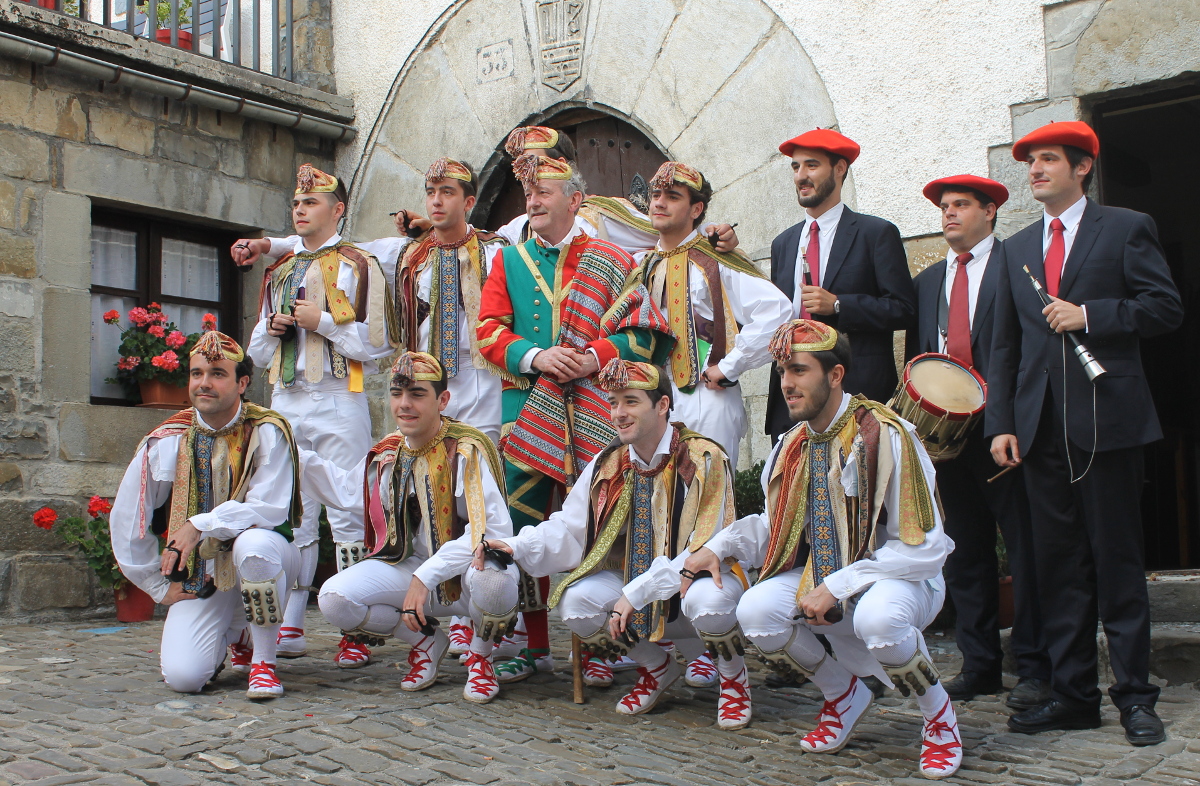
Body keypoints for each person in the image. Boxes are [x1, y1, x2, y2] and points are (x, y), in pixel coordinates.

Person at [685, 319, 961, 779]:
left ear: (835, 375)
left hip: (905, 579)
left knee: (879, 619)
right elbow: (774, 526)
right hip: (829, 579)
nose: (786, 384)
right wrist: (720, 545)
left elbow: (925, 547)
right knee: (756, 610)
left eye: (799, 370)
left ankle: (939, 718)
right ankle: (843, 694)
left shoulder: (887, 435)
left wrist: (840, 584)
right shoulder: (791, 444)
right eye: (781, 372)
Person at [987, 121, 1183, 746]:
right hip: (1039, 431)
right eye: (1031, 161)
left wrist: (1091, 315)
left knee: (1117, 564)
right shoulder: (1016, 247)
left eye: (1049, 159)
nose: (1035, 169)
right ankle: (1074, 696)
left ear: (1082, 168)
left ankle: (1135, 698)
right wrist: (1001, 424)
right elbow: (1004, 347)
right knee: (1058, 567)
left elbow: (1164, 307)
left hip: (1107, 423)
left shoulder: (1125, 227)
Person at [476, 153, 673, 683]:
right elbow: (488, 331)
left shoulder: (611, 259)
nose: (533, 201)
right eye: (528, 193)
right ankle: (534, 644)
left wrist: (594, 357)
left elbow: (645, 332)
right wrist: (536, 356)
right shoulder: (509, 261)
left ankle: (598, 647)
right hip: (527, 411)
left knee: (597, 522)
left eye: (544, 191)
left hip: (596, 407)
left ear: (575, 199)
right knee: (523, 523)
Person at [475, 359, 750, 727]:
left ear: (662, 405)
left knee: (710, 602)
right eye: (613, 402)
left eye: (631, 401)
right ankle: (657, 667)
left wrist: (637, 592)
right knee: (577, 603)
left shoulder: (702, 457)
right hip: (635, 584)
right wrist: (516, 546)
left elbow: (704, 547)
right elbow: (570, 527)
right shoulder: (608, 462)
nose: (619, 413)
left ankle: (734, 680)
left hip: (695, 581)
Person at [236, 164, 397, 669]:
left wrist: (322, 321)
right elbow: (255, 353)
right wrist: (274, 331)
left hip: (339, 396)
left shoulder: (360, 264)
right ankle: (291, 621)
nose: (300, 210)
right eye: (296, 203)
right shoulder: (281, 270)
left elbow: (378, 345)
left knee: (348, 509)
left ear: (337, 209)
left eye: (311, 202)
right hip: (286, 398)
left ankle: (354, 626)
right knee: (293, 510)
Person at [906, 175, 1051, 708]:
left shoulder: (1015, 264)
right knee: (964, 552)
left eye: (961, 205)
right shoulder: (927, 282)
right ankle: (980, 664)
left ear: (989, 212)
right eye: (945, 206)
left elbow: (1027, 352)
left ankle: (1034, 666)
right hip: (949, 441)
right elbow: (919, 359)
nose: (949, 213)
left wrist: (1008, 421)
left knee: (1025, 550)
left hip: (1003, 433)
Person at [300, 352, 519, 704]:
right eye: (397, 393)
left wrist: (426, 576)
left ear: (442, 400)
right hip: (411, 570)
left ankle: (481, 657)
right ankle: (427, 641)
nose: (404, 404)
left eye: (417, 394)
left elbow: (488, 530)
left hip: (467, 574)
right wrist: (293, 456)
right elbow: (346, 491)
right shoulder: (389, 453)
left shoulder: (466, 449)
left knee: (496, 579)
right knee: (334, 599)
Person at [108, 331, 303, 699]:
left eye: (217, 374)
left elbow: (269, 507)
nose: (204, 383)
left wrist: (199, 524)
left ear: (242, 383)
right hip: (201, 575)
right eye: (197, 373)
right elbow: (128, 516)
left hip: (263, 559)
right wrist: (157, 586)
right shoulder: (168, 438)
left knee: (255, 544)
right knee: (184, 678)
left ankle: (263, 662)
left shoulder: (267, 431)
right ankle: (236, 633)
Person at [765, 129, 917, 442]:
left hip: (857, 392)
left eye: (812, 165)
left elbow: (903, 309)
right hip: (792, 400)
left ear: (839, 168)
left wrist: (839, 305)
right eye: (796, 167)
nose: (801, 176)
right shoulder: (783, 243)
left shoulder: (876, 233)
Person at [640, 160, 791, 471]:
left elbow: (777, 311)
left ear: (696, 209)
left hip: (707, 397)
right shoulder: (645, 264)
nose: (659, 203)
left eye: (672, 196)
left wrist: (729, 367)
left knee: (711, 492)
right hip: (656, 399)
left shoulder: (717, 259)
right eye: (656, 195)